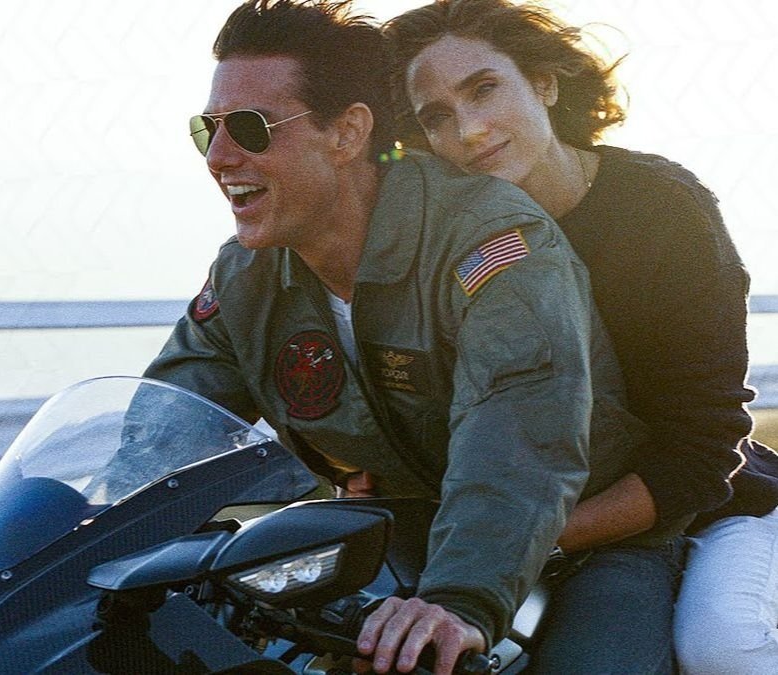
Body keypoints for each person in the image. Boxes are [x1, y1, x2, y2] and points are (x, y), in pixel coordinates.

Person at [142, 1, 687, 673]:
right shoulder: (245, 278)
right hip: (408, 546)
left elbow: (516, 442)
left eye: (251, 128)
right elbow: (160, 435)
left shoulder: (489, 243)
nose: (220, 157)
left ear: (347, 133)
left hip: (588, 545)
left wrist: (457, 600)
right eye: (209, 129)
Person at [382, 0, 778, 672]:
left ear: (543, 82)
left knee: (722, 645)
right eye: (436, 116)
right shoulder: (443, 241)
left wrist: (513, 543)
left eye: (484, 88)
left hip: (717, 509)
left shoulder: (660, 208)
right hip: (537, 526)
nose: (470, 129)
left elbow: (702, 449)